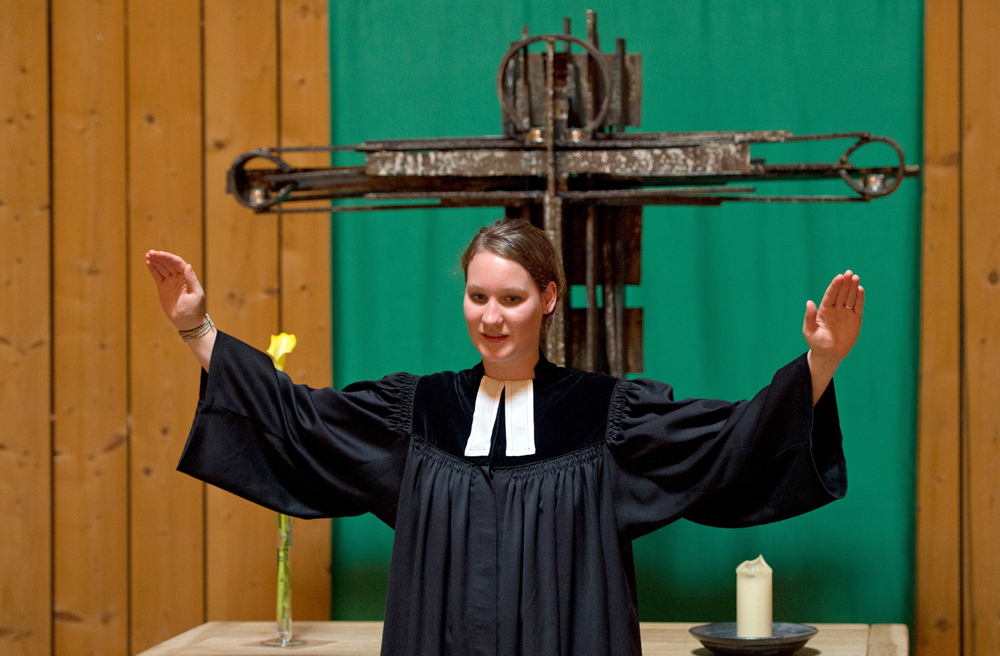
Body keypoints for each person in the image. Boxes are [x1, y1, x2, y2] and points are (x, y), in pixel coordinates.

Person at [145, 218, 863, 656]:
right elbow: (298, 418)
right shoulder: (418, 412)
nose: (490, 317)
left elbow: (731, 439)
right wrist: (196, 329)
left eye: (512, 299)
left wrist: (821, 362)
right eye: (477, 296)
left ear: (547, 299)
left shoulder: (606, 416)